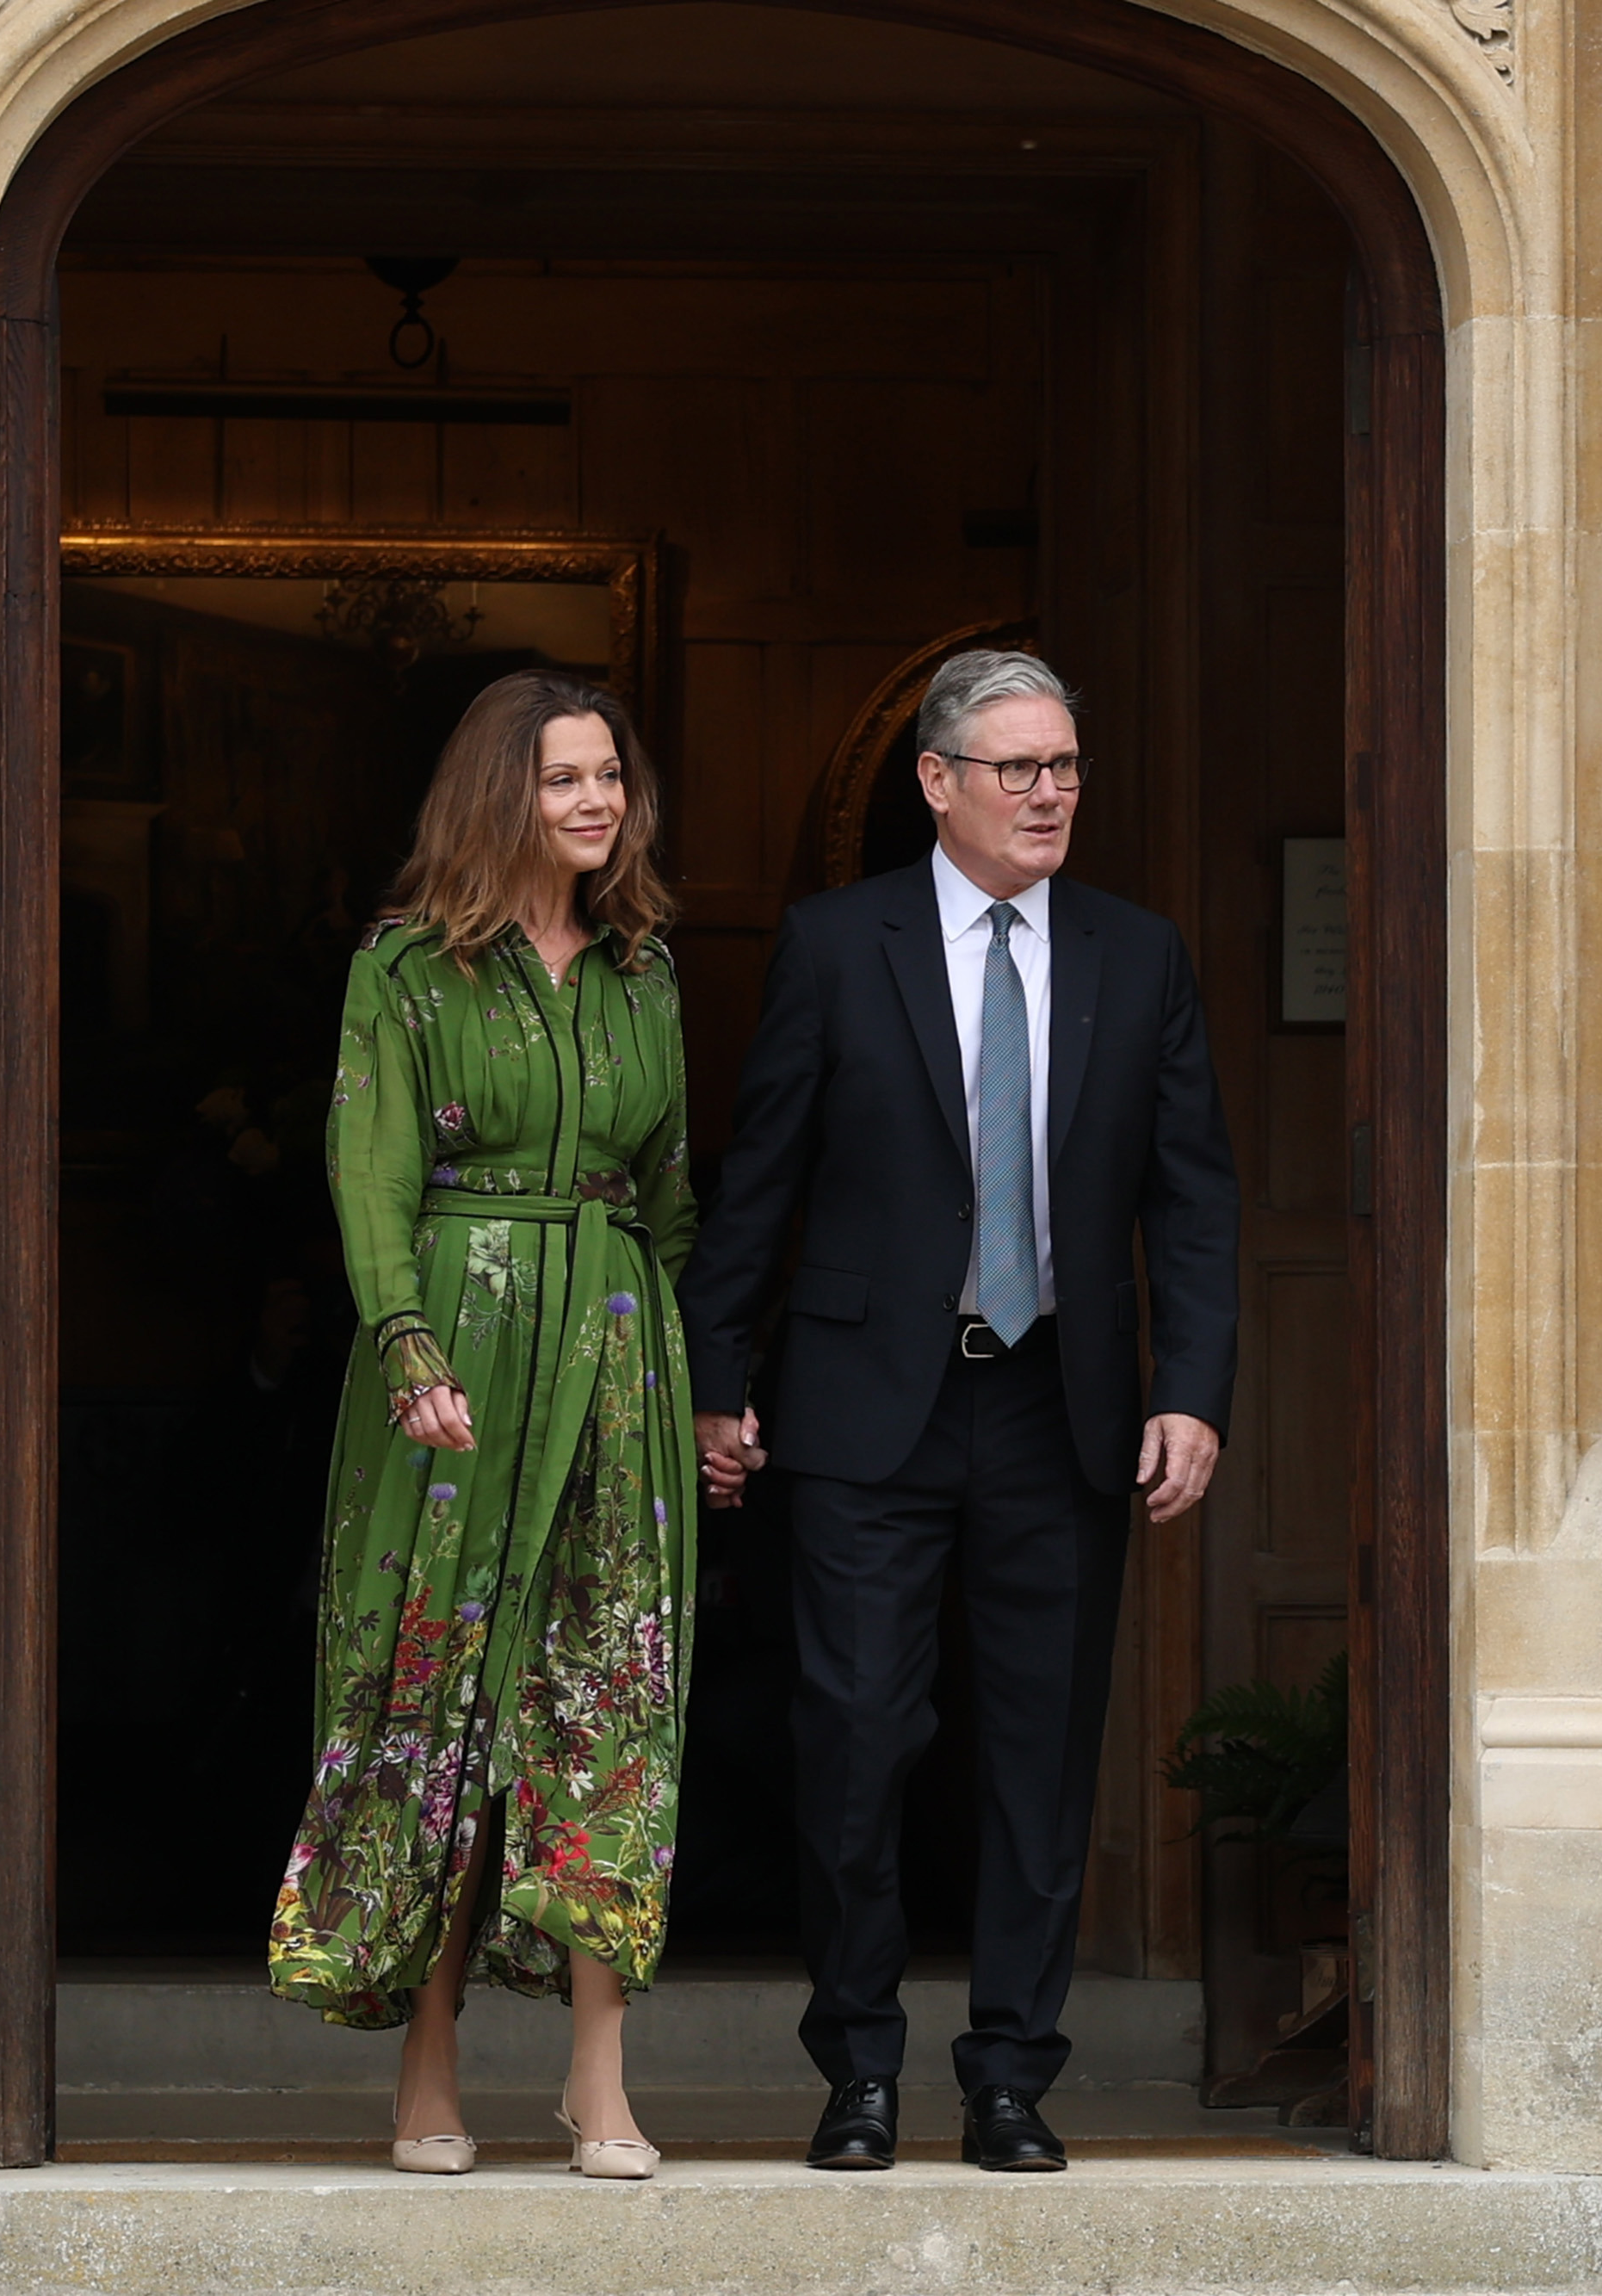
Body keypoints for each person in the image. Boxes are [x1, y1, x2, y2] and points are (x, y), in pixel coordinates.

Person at [679, 650, 1239, 2174]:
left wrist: (1191, 1393)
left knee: (1040, 1760)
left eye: (1064, 767)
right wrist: (715, 1381)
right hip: (865, 1418)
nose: (1051, 793)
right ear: (938, 782)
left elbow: (1193, 1201)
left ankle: (1011, 2078)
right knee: (855, 1743)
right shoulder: (833, 944)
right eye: (1019, 769)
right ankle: (857, 2068)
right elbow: (764, 1177)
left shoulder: (1140, 955)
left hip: (1061, 1411)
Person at [266, 670, 697, 2183]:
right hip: (455, 1352)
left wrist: (692, 1389)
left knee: (604, 1698)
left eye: (609, 778)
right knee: (438, 1697)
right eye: (562, 779)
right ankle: (427, 2069)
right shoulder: (406, 969)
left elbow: (673, 1200)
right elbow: (368, 1170)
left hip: (619, 1366)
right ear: (493, 795)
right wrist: (406, 1343)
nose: (595, 803)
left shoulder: (645, 970)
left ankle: (598, 2080)